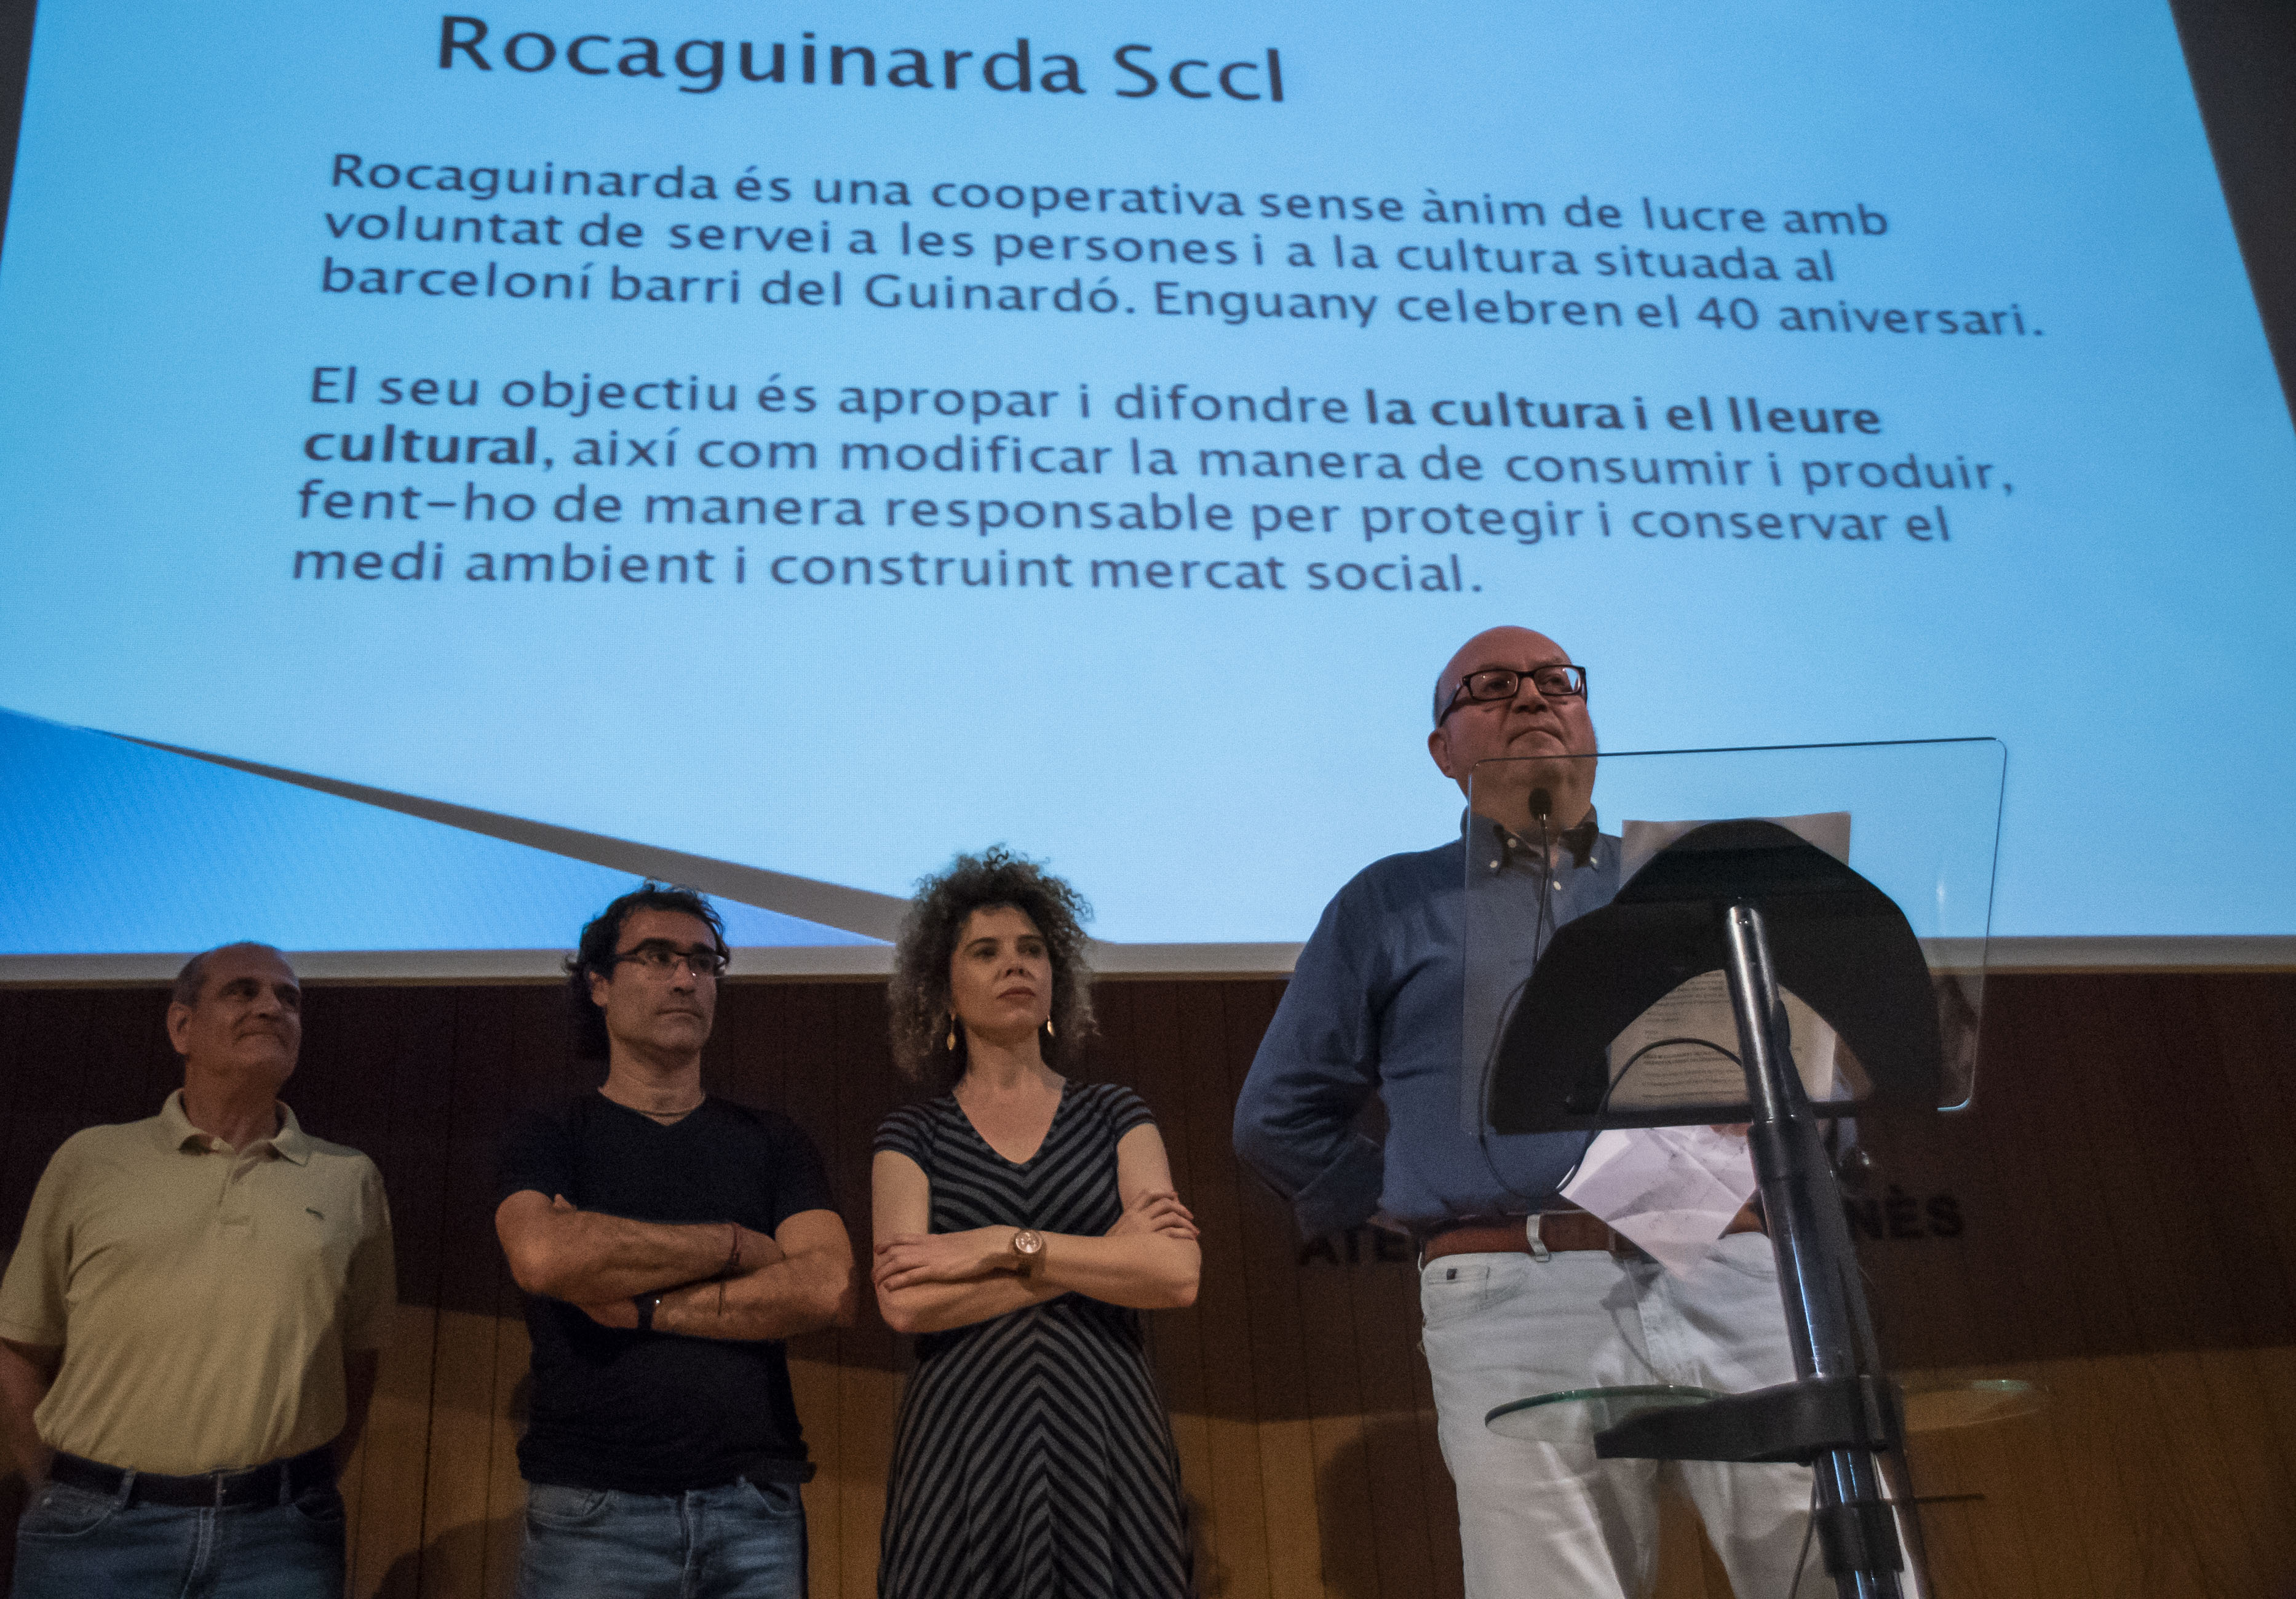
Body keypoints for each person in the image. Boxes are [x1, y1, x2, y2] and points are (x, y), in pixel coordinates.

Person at [1233, 627, 1831, 1599]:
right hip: (1515, 1285)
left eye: (1557, 680)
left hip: (1726, 1265)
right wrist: (1425, 1200)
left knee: (1828, 1572)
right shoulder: (1388, 900)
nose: (1532, 697)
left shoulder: (1689, 885)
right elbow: (1276, 1114)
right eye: (1491, 686)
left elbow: (1809, 1084)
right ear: (1442, 751)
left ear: (1590, 720)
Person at [0, 941, 395, 1599]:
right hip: (94, 1536)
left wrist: (293, 1493)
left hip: (282, 1541)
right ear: (182, 1026)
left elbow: (357, 1360)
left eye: (289, 998)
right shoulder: (90, 1159)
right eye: (243, 991)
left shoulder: (350, 1178)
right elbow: (21, 1345)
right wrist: (65, 1490)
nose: (272, 1007)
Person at [493, 885, 856, 1599]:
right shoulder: (551, 1133)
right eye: (657, 957)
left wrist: (643, 1306)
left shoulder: (773, 1140)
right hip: (592, 1509)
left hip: (755, 1507)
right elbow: (545, 1256)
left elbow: (830, 1288)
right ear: (599, 984)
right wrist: (738, 1245)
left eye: (702, 961)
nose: (686, 978)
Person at [871, 848, 1198, 1599]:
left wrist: (1000, 1245)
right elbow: (907, 1302)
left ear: (1056, 979)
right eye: (985, 952)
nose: (1014, 964)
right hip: (964, 1434)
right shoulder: (912, 1134)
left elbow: (1176, 1276)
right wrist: (1103, 1257)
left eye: (1031, 949)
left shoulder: (1116, 1114)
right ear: (944, 990)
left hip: (1105, 1424)